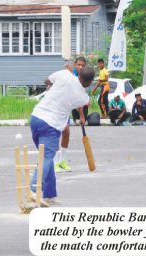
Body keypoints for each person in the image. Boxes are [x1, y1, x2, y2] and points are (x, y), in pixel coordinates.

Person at [30, 66, 94, 205]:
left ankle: (49, 193)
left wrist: (58, 84)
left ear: (78, 74)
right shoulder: (83, 98)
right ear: (89, 83)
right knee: (47, 157)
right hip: (51, 126)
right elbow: (82, 103)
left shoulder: (64, 74)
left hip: (35, 118)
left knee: (47, 157)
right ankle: (34, 189)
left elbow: (47, 80)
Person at [54, 57, 87, 172]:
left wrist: (82, 116)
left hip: (65, 109)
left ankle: (62, 161)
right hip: (57, 106)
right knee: (57, 133)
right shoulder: (69, 76)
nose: (81, 67)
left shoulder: (82, 80)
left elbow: (78, 100)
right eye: (79, 64)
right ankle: (55, 162)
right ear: (75, 65)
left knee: (66, 133)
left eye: (83, 65)